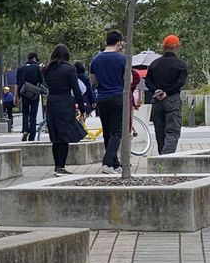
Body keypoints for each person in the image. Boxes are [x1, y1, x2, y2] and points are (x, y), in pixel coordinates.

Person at [43, 44, 87, 174]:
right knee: (65, 135)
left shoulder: (47, 69)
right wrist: (83, 109)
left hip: (51, 102)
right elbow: (76, 90)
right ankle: (61, 166)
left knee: (55, 135)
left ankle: (57, 166)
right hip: (65, 103)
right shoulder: (69, 69)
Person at [90, 31, 128, 173]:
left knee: (107, 131)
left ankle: (115, 164)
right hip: (117, 96)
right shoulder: (122, 59)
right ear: (119, 43)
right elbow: (127, 78)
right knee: (117, 132)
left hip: (102, 97)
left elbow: (93, 81)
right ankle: (107, 163)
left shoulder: (96, 59)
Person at [145, 35, 189, 154]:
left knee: (160, 132)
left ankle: (161, 157)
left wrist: (157, 91)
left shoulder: (154, 64)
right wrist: (167, 92)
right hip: (172, 100)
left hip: (157, 101)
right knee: (173, 131)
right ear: (177, 47)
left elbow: (148, 81)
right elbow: (180, 83)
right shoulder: (181, 65)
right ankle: (167, 157)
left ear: (164, 47)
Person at [16, 53, 43, 141]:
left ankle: (25, 130)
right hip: (34, 93)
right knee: (33, 115)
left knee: (25, 113)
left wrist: (18, 95)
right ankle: (32, 134)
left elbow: (18, 82)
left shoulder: (21, 68)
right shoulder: (37, 67)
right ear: (34, 58)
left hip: (24, 93)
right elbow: (41, 80)